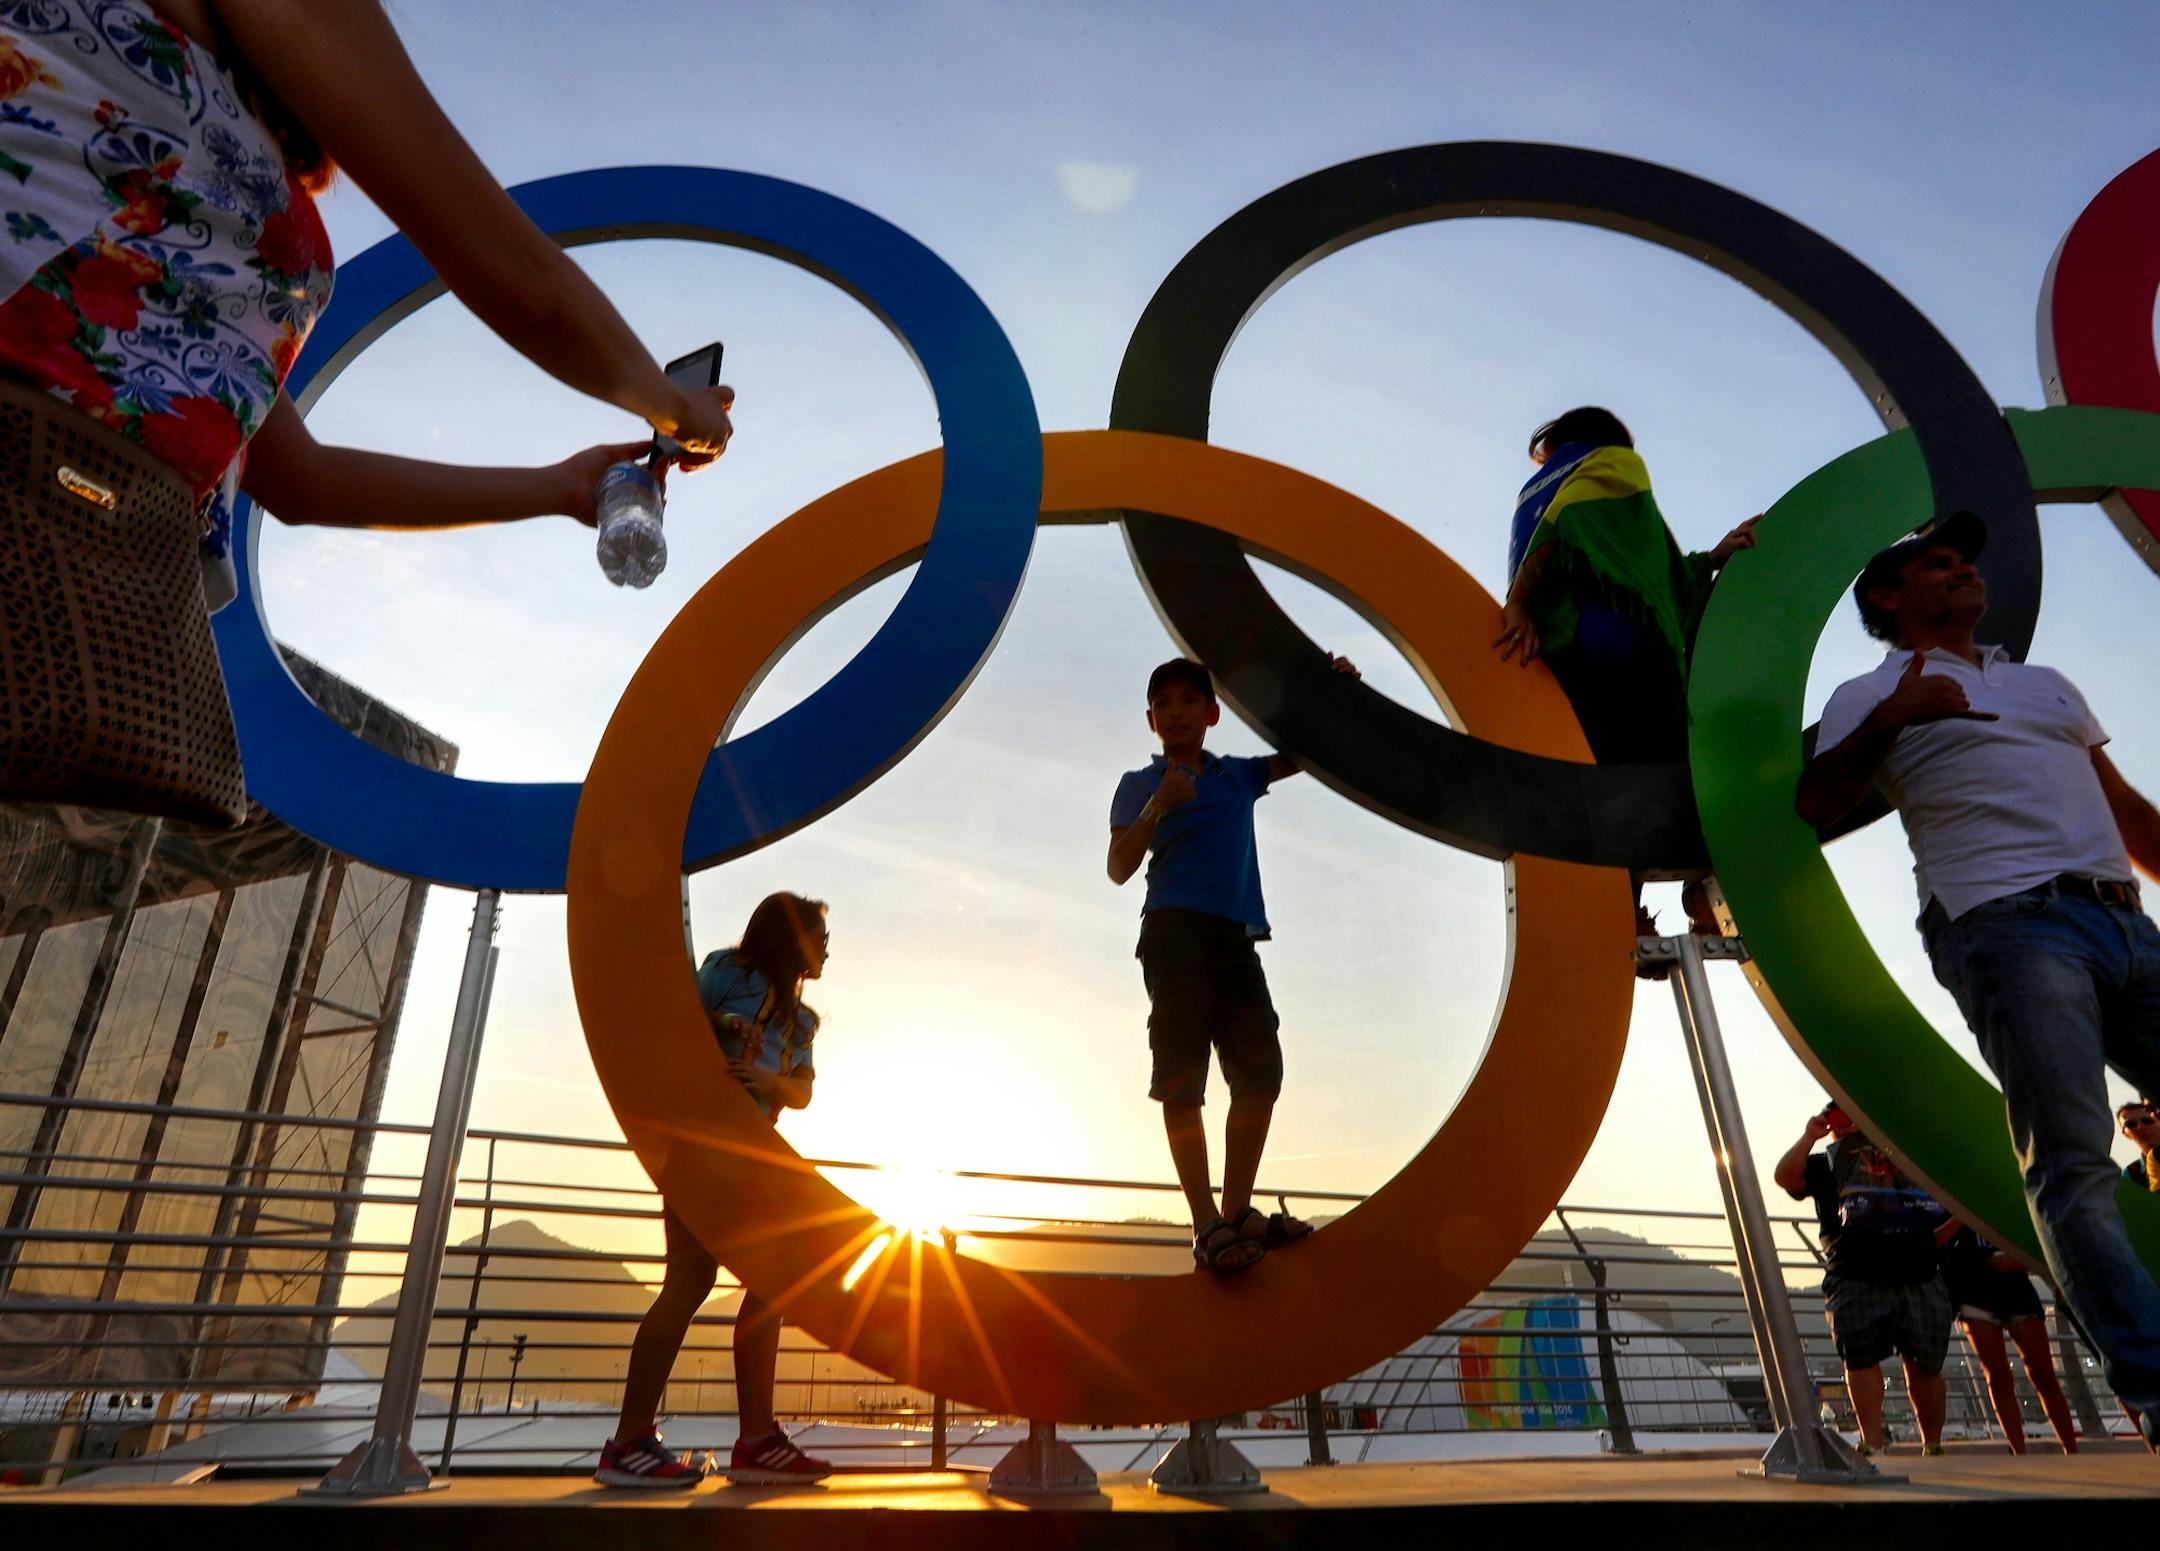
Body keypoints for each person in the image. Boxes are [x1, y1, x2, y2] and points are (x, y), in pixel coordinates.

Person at [2, 3, 734, 810]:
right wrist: (673, 408)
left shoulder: (160, 242)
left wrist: (560, 488)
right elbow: (510, 268)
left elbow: (300, 478)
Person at [1795, 510, 2160, 1448]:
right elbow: (1818, 803)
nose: (1966, 573)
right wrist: (1891, 719)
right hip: (2007, 923)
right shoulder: (1871, 690)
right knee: (2074, 1161)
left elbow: (2123, 811)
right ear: (1887, 596)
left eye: (1968, 562)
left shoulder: (2046, 686)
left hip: (2125, 918)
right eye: (1939, 564)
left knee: (2078, 1163)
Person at [1107, 656, 1355, 1273]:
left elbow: (1304, 755)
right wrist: (1158, 805)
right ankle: (1204, 1227)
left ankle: (1237, 1210)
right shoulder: (1139, 783)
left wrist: (1325, 692)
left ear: (1212, 715)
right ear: (1150, 719)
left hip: (1236, 940)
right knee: (1181, 1081)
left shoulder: (1237, 776)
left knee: (1260, 1076)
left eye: (1189, 701)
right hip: (1173, 934)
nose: (1176, 712)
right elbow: (1117, 867)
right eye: (1164, 704)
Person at [599, 894, 833, 1489]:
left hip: (754, 1158)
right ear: (793, 940)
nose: (828, 947)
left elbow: (801, 1093)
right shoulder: (728, 973)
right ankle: (643, 1441)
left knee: (755, 1283)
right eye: (819, 936)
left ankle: (737, 1440)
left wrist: (763, 1078)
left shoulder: (802, 1021)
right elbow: (675, 1023)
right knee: (703, 1282)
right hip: (704, 1149)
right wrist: (718, 1032)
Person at [1492, 407, 1758, 765]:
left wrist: (1709, 559)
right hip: (1616, 650)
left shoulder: (1530, 491)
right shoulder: (1617, 461)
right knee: (1667, 783)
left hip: (1548, 663)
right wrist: (1517, 601)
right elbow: (1567, 518)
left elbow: (1631, 564)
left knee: (1597, 785)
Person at [1774, 1101, 1952, 1454]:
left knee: (1925, 1364)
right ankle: (1872, 1441)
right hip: (1854, 1270)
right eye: (1834, 1115)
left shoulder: (1904, 1155)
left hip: (1917, 1269)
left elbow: (1951, 1197)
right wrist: (1811, 1135)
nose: (1841, 1122)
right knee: (1859, 1358)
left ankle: (1932, 1444)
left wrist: (1946, 1232)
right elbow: (1785, 1177)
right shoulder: (1827, 1163)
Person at [1933, 1212, 2079, 1453]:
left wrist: (2022, 1261)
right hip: (1974, 1290)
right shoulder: (1949, 1200)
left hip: (2016, 1287)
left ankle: (2071, 1449)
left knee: (2043, 1373)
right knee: (1997, 1376)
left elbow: (2035, 1234)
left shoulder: (2004, 1197)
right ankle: (2018, 1450)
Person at [2122, 1100, 2160, 1191]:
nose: (2140, 1126)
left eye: (2147, 1120)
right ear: (2125, 1134)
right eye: (2130, 1124)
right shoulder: (2129, 1176)